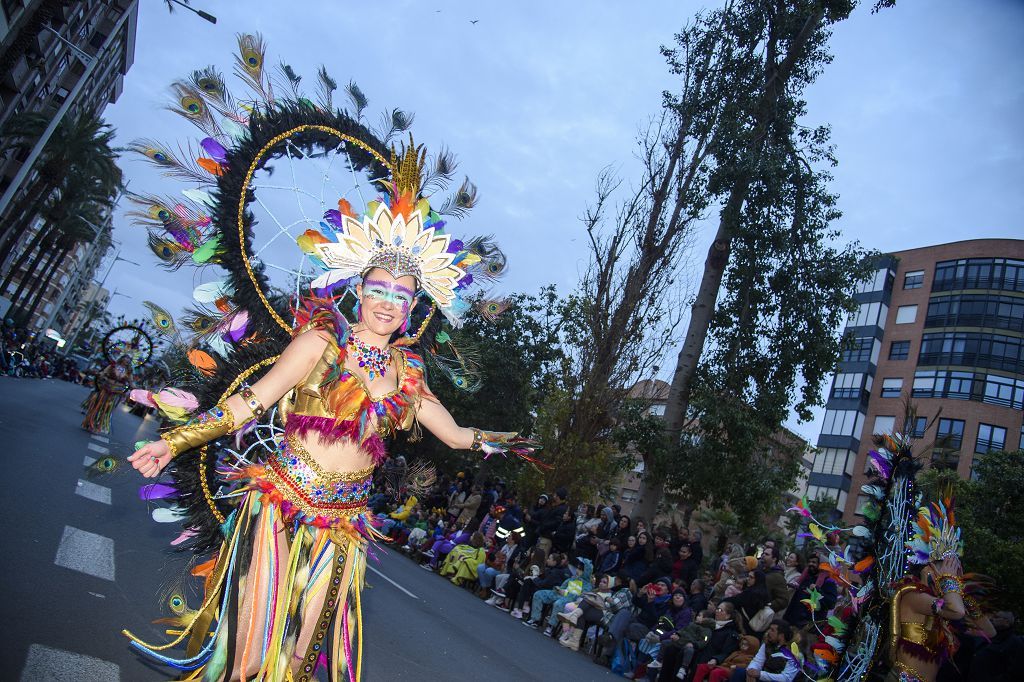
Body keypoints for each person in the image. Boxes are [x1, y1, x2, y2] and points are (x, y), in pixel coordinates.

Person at [122, 116, 539, 679]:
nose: (390, 303)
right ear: (358, 290)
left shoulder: (408, 370)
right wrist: (177, 440)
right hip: (280, 507)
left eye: (403, 294)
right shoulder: (320, 340)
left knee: (301, 655)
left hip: (343, 524)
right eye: (379, 290)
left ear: (414, 306)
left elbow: (455, 434)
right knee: (249, 649)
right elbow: (252, 401)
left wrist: (507, 443)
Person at [727, 620, 800, 682]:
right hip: (761, 677)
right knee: (739, 672)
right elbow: (757, 661)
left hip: (772, 679)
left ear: (781, 635)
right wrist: (750, 671)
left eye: (772, 630)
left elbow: (786, 678)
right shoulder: (767, 645)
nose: (768, 632)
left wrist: (759, 674)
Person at [81, 354, 133, 434]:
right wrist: (100, 376)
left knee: (107, 409)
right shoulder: (112, 366)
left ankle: (97, 425)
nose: (127, 360)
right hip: (105, 389)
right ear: (122, 359)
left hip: (115, 392)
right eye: (126, 358)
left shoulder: (128, 372)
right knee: (98, 406)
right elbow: (103, 374)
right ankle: (89, 423)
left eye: (129, 359)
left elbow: (131, 382)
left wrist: (135, 388)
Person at [781, 554, 836, 627]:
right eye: (809, 562)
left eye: (814, 562)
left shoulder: (828, 582)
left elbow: (831, 603)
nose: (810, 564)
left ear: (821, 566)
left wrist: (818, 590)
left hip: (808, 626)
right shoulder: (806, 579)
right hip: (792, 621)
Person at [691, 635, 759, 682]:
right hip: (723, 667)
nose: (743, 646)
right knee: (702, 667)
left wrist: (736, 666)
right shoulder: (736, 652)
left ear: (752, 647)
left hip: (732, 671)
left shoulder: (750, 657)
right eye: (742, 644)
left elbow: (746, 666)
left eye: (746, 645)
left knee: (716, 672)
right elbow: (726, 660)